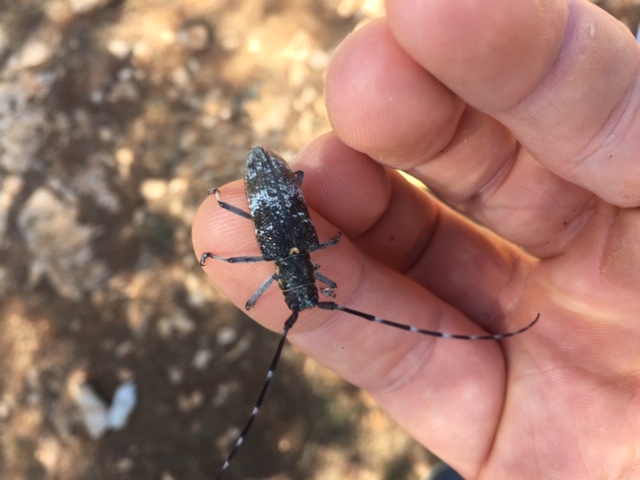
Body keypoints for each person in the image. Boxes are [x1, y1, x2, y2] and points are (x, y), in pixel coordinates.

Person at [192, 0, 640, 478]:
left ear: (293, 285)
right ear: (301, 280)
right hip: (274, 180)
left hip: (271, 186)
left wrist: (221, 252)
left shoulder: (304, 249)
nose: (313, 290)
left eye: (309, 291)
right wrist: (222, 251)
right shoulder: (310, 246)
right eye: (313, 290)